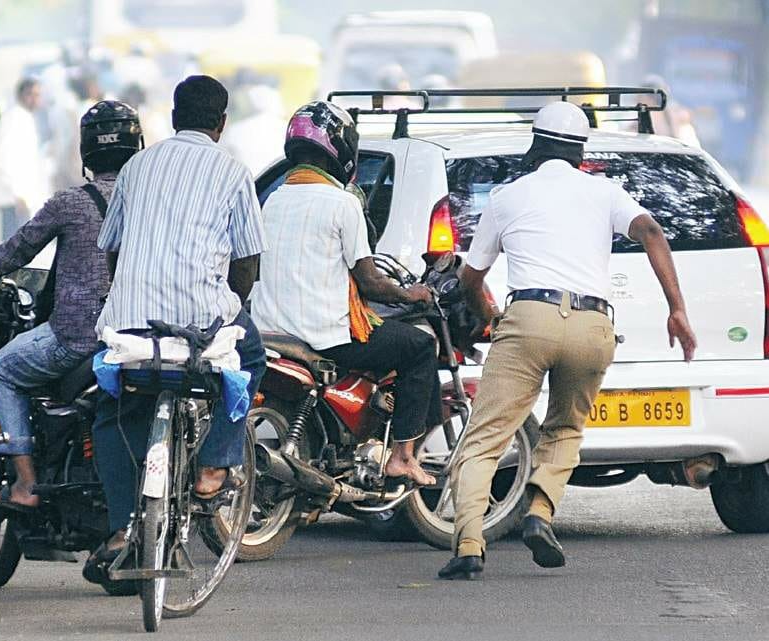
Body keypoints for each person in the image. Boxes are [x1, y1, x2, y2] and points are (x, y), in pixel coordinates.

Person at [438, 102, 697, 580]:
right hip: (593, 326)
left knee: (486, 437)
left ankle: (470, 544)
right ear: (581, 153)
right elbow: (652, 231)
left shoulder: (507, 197)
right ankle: (540, 512)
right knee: (565, 430)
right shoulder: (604, 192)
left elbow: (471, 279)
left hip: (529, 317)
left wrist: (493, 317)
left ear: (534, 146)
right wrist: (677, 309)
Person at [83, 75, 266, 584]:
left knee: (113, 410)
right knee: (251, 358)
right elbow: (247, 261)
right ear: (221, 123)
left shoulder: (136, 167)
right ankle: (213, 465)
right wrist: (234, 307)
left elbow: (112, 247)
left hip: (131, 321)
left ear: (171, 116)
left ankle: (123, 527)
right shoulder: (232, 171)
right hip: (201, 320)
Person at [0, 100, 144, 507]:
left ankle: (24, 485)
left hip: (77, 338)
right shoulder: (155, 201)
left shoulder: (71, 202)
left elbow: (14, 252)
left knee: (0, 370)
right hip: (141, 337)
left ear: (87, 150)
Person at [252, 100, 437, 485]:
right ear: (340, 150)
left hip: (271, 333)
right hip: (325, 336)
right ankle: (403, 456)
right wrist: (411, 295)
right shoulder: (342, 203)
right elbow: (369, 282)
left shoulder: (270, 201)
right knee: (418, 347)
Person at [0, 77, 51, 240]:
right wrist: (17, 194)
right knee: (11, 249)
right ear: (20, 96)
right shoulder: (14, 118)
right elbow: (4, 158)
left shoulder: (26, 118)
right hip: (13, 199)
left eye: (37, 95)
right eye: (30, 95)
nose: (35, 99)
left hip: (23, 199)